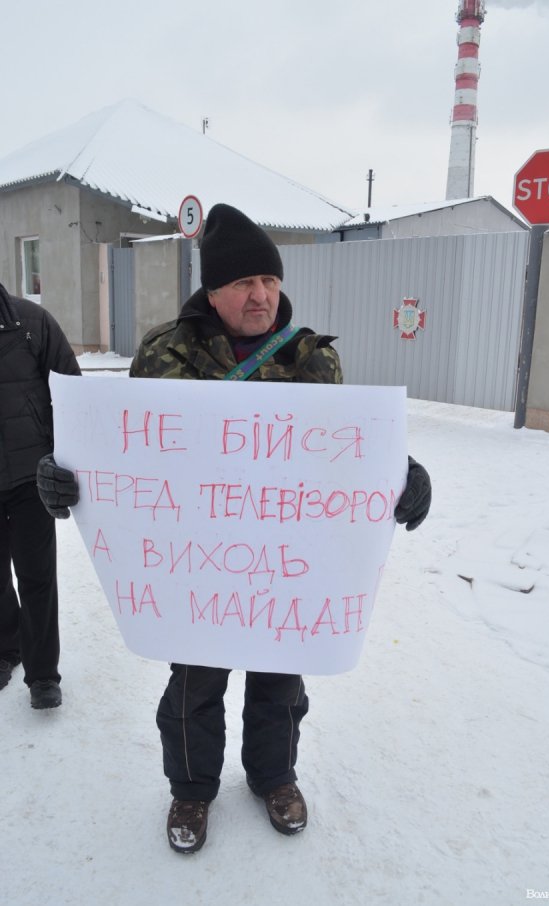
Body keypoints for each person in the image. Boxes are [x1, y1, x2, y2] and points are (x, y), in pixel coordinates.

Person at [37, 204, 431, 852]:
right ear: (213, 291)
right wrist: (68, 477)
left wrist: (404, 476)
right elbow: (122, 454)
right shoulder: (166, 353)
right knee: (195, 682)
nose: (262, 296)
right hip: (197, 568)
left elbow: (345, 455)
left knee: (281, 677)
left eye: (270, 282)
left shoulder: (311, 359)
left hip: (285, 563)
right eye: (245, 283)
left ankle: (274, 776)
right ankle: (191, 790)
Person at [0, 282, 81, 709]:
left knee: (36, 577)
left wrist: (65, 458)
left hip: (32, 475)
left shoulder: (30, 323)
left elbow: (72, 391)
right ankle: (4, 650)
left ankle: (43, 675)